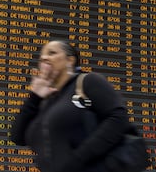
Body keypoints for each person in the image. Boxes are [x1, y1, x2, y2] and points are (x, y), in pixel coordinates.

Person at [10, 40, 130, 172]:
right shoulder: (46, 101)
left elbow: (118, 117)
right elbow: (17, 137)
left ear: (70, 60)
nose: (44, 58)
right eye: (41, 57)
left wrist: (78, 158)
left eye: (52, 53)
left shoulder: (88, 82)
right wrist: (34, 96)